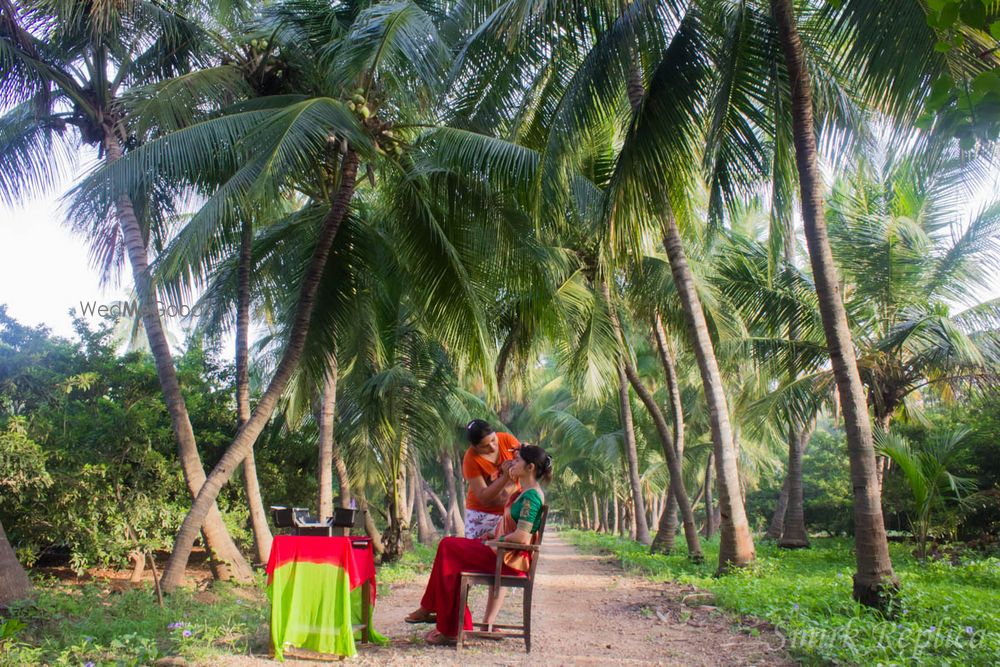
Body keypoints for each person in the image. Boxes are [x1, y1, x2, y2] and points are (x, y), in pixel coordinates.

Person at [404, 444, 553, 645]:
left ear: (530, 468)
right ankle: (448, 623)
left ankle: (442, 619)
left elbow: (522, 538)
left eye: (518, 460)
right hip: (501, 552)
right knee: (449, 554)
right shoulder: (524, 492)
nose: (513, 463)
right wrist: (493, 534)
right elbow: (511, 526)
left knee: (448, 545)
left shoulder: (532, 497)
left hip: (507, 559)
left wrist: (495, 541)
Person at [461, 419, 521, 539]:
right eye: (485, 446)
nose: (493, 447)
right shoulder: (470, 459)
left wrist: (525, 454)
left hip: (511, 512)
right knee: (477, 553)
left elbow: (524, 461)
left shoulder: (507, 440)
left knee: (505, 554)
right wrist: (504, 477)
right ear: (474, 447)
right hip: (481, 515)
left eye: (493, 440)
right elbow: (483, 497)